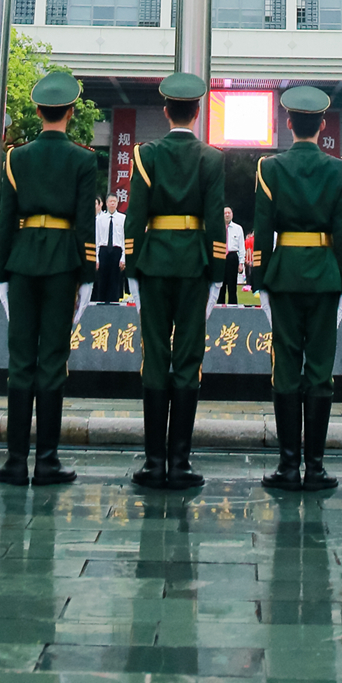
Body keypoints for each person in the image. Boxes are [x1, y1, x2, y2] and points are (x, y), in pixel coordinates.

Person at [0, 71, 97, 489]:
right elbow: (85, 225)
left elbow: (6, 221)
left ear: (38, 111)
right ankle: (47, 460)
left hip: (21, 262)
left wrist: (0, 274)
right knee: (53, 362)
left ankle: (16, 461)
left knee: (20, 362)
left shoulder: (16, 157)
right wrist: (87, 277)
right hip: (62, 264)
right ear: (71, 113)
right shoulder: (84, 158)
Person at [123, 72, 226, 491]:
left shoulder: (146, 154)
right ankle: (179, 462)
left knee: (154, 360)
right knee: (187, 361)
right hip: (194, 268)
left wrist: (132, 270)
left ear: (166, 112)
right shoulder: (212, 158)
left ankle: (153, 462)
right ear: (198, 112)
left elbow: (135, 218)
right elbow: (215, 222)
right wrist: (217, 277)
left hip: (154, 265)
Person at [252, 85, 342, 494]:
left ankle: (288, 466)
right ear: (322, 124)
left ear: (289, 123)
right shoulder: (339, 169)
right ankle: (315, 467)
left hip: (285, 276)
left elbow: (262, 233)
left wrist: (260, 282)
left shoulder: (270, 168)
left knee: (286, 369)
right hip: (327, 277)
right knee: (320, 371)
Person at [93, 192, 126, 303]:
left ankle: (114, 304)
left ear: (117, 203)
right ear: (106, 203)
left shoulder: (123, 218)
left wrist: (123, 258)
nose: (112, 204)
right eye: (110, 201)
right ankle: (101, 304)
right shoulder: (100, 219)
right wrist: (96, 258)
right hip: (103, 250)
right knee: (102, 280)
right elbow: (97, 239)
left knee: (115, 280)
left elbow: (124, 240)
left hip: (117, 251)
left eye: (114, 202)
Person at [222, 206, 247, 304]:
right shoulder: (218, 227)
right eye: (225, 213)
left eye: (229, 213)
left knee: (232, 286)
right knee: (220, 287)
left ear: (232, 214)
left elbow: (242, 247)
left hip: (232, 257)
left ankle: (233, 308)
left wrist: (241, 263)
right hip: (221, 257)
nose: (227, 215)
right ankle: (220, 308)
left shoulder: (238, 228)